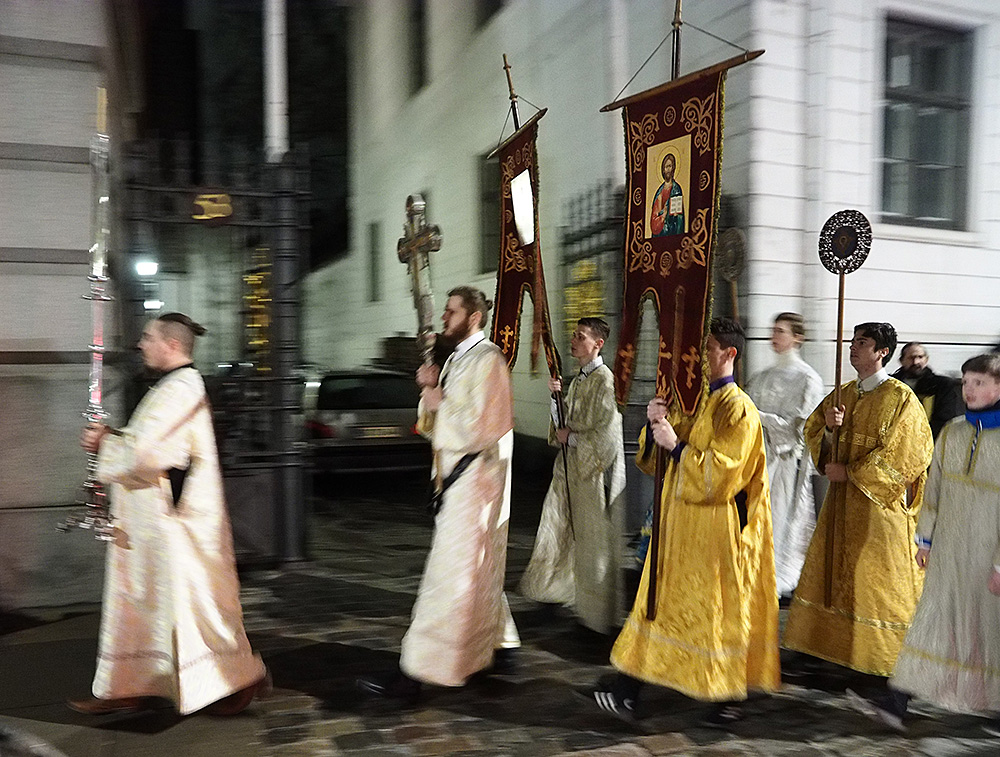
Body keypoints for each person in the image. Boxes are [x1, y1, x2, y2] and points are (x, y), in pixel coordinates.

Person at [578, 318, 780, 724]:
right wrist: (655, 426)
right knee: (663, 604)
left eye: (707, 349)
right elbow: (659, 459)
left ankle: (717, 694)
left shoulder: (739, 409)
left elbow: (724, 474)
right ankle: (636, 688)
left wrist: (678, 445)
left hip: (712, 532)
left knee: (708, 611)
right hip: (678, 526)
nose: (700, 357)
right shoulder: (698, 402)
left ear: (729, 353)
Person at [70, 313, 268, 716]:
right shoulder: (173, 386)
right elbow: (147, 443)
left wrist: (107, 440)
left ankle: (235, 677)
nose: (141, 344)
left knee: (189, 607)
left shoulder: (182, 387)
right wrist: (114, 438)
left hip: (173, 523)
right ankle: (132, 684)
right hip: (150, 520)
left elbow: (150, 453)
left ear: (172, 345)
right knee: (146, 604)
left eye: (148, 337)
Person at [358, 286, 519, 701]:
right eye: (445, 311)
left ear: (475, 317)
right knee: (466, 579)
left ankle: (415, 671)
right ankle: (473, 657)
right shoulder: (456, 362)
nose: (444, 318)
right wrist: (429, 393)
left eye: (452, 312)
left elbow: (487, 427)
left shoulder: (490, 361)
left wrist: (438, 401)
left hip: (476, 487)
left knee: (445, 579)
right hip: (454, 485)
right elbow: (431, 428)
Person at [848, 353, 1000, 732]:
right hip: (949, 549)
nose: (969, 390)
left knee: (990, 630)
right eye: (966, 383)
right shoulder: (952, 432)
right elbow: (934, 490)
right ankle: (896, 700)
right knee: (931, 622)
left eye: (979, 383)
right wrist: (926, 539)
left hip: (989, 554)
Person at [783, 322, 934, 677]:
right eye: (852, 341)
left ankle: (884, 659)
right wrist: (830, 429)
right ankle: (828, 648)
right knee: (835, 573)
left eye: (862, 343)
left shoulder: (900, 398)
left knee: (876, 581)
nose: (852, 348)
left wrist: (850, 473)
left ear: (882, 351)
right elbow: (812, 429)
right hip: (841, 505)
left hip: (879, 510)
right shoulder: (843, 394)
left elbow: (910, 453)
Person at [519, 317, 626, 634]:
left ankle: (595, 618)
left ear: (598, 344)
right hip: (568, 471)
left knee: (592, 544)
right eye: (575, 335)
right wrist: (556, 399)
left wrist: (572, 439)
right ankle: (552, 596)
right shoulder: (580, 379)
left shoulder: (605, 382)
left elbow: (607, 436)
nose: (574, 340)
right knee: (556, 530)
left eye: (581, 337)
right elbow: (564, 421)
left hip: (591, 476)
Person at [746, 313, 824, 600]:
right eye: (773, 330)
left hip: (784, 463)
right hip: (754, 459)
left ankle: (775, 579)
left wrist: (758, 416)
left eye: (780, 331)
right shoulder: (760, 377)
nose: (774, 336)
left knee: (779, 519)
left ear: (797, 337)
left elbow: (800, 428)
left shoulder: (808, 379)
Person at [891, 341, 964, 439]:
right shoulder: (891, 384)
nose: (916, 362)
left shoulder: (942, 385)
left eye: (920, 357)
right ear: (901, 360)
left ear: (926, 359)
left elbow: (945, 418)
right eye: (911, 358)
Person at [650, 152, 684, 237]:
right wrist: (663, 214)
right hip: (660, 233)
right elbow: (654, 216)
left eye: (670, 166)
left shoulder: (676, 189)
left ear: (673, 168)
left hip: (672, 231)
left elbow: (679, 217)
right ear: (663, 170)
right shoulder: (659, 192)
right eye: (666, 167)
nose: (668, 169)